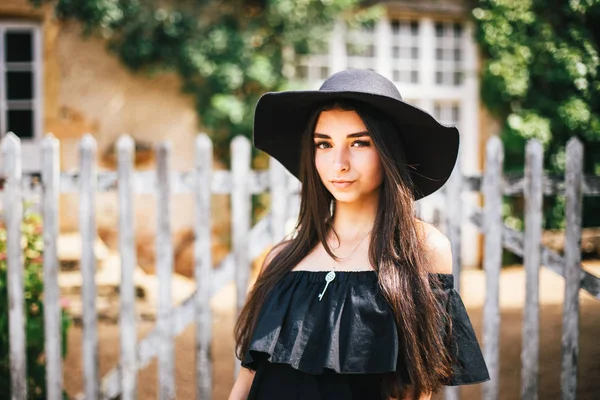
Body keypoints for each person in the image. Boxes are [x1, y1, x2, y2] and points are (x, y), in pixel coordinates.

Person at [229, 69, 489, 400]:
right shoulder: (281, 258)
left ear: (388, 150)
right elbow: (245, 381)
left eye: (360, 142)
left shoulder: (424, 250)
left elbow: (416, 392)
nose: (339, 162)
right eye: (323, 144)